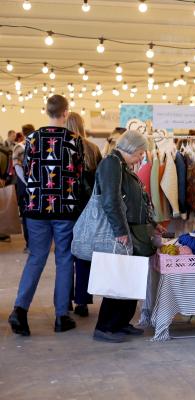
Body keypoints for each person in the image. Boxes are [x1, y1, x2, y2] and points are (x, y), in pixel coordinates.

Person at [8, 95, 84, 336]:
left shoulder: (31, 139)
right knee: (64, 259)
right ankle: (62, 316)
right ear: (66, 112)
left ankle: (19, 310)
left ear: (47, 111)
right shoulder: (74, 141)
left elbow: (24, 169)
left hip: (36, 208)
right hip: (64, 208)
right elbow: (79, 175)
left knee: (35, 258)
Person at [93, 130, 160, 343]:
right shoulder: (112, 163)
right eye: (140, 153)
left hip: (133, 229)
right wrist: (120, 230)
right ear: (131, 148)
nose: (141, 158)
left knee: (130, 278)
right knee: (119, 279)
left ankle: (121, 323)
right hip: (124, 231)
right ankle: (105, 327)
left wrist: (152, 224)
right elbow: (110, 199)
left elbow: (133, 200)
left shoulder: (121, 164)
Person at [65, 112, 102, 318]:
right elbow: (99, 181)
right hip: (87, 210)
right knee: (84, 256)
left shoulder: (61, 147)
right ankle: (81, 301)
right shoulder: (92, 148)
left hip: (65, 209)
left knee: (65, 256)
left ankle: (64, 301)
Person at [13, 127, 32, 251]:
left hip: (27, 186)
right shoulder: (20, 147)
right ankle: (29, 244)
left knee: (29, 216)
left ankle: (31, 244)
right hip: (25, 187)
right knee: (26, 215)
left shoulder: (28, 146)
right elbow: (18, 168)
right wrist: (28, 183)